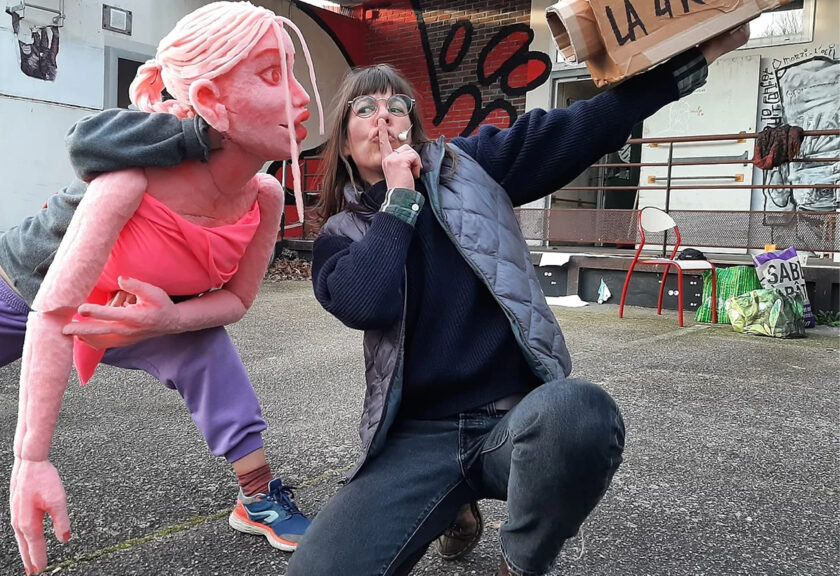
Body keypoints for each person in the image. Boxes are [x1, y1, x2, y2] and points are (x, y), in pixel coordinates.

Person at [0, 1, 322, 569]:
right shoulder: (130, 180)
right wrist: (31, 459)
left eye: (292, 73)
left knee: (204, 349)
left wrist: (168, 319)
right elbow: (52, 314)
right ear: (208, 98)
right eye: (272, 75)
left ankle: (258, 495)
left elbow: (238, 301)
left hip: (119, 312)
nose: (301, 97)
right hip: (14, 290)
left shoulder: (264, 197)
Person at [284, 25, 752, 576]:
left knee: (579, 412)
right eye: (365, 108)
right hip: (418, 439)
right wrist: (400, 199)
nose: (383, 117)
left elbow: (589, 122)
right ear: (345, 139)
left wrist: (707, 52)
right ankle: (451, 506)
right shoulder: (340, 236)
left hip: (513, 423)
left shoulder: (470, 166)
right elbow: (366, 303)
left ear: (414, 126)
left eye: (397, 106)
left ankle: (521, 562)